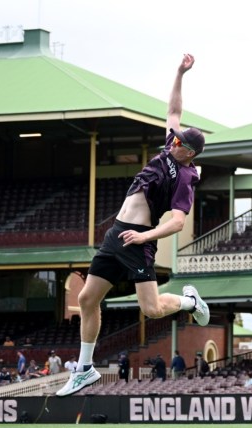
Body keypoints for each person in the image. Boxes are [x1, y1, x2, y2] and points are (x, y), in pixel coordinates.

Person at [57, 54, 210, 397]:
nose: (173, 142)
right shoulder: (170, 145)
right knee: (85, 299)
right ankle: (84, 369)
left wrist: (145, 235)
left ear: (191, 154)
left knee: (152, 309)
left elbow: (177, 222)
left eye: (180, 143)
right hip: (117, 235)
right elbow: (173, 110)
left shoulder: (184, 178)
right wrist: (179, 73)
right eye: (174, 138)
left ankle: (190, 303)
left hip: (138, 241)